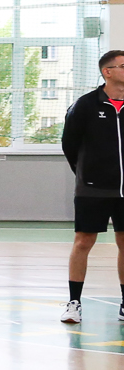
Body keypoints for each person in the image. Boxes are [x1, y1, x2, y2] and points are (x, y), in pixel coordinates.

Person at [59, 48, 124, 325]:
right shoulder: (85, 105)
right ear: (107, 72)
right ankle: (74, 303)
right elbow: (69, 145)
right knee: (84, 242)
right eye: (123, 66)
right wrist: (87, 174)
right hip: (93, 189)